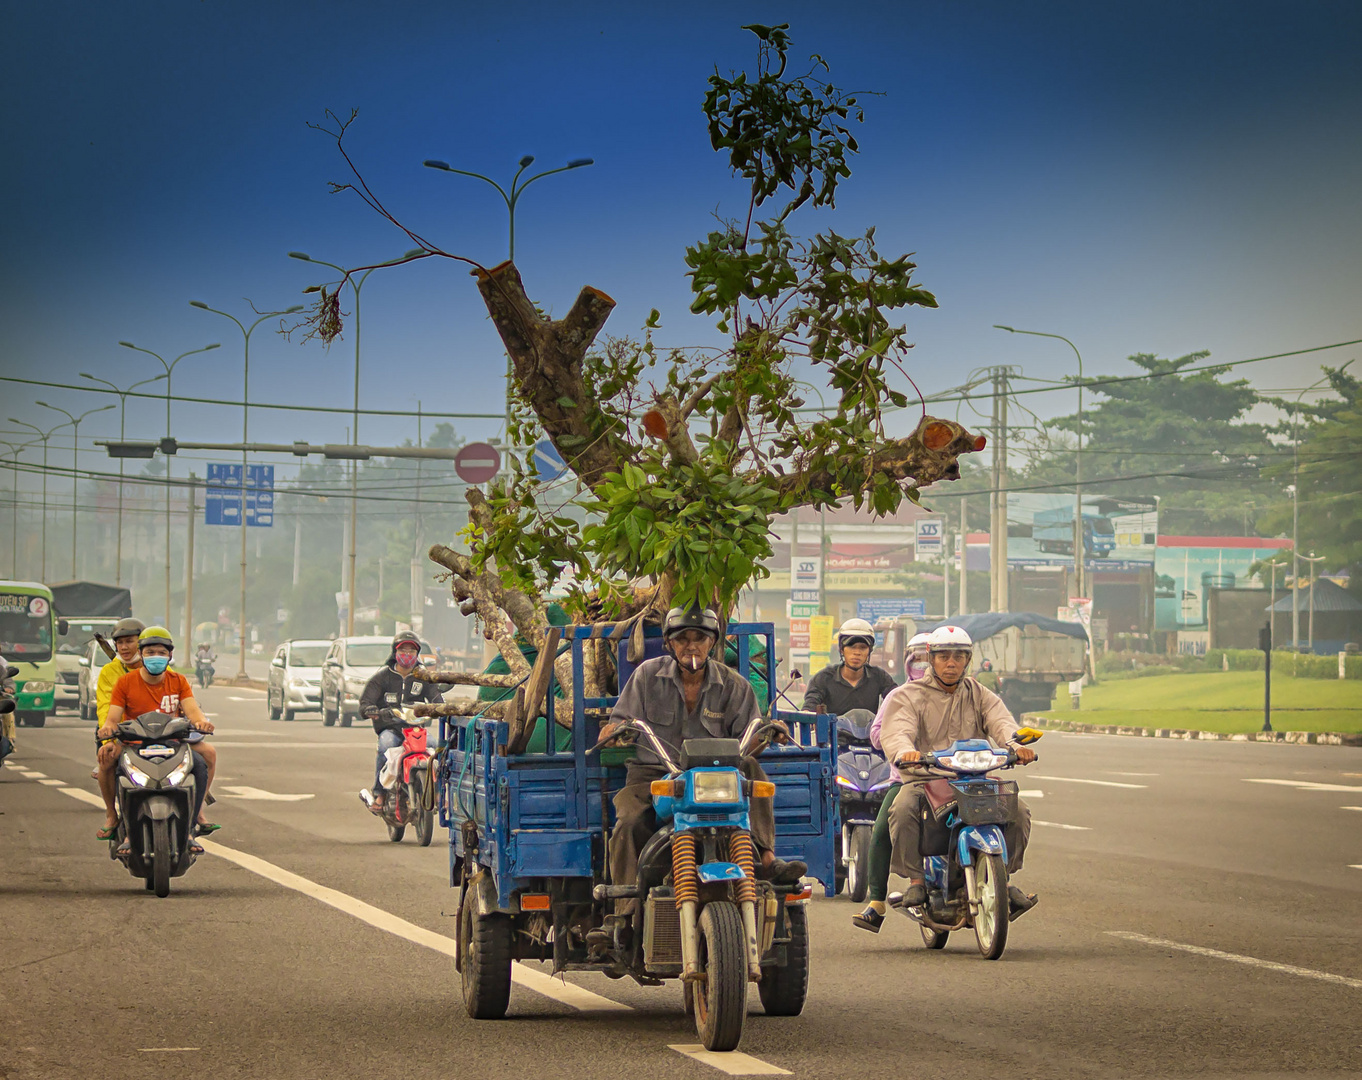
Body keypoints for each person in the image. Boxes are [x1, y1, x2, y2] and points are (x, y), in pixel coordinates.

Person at [602, 606, 807, 929]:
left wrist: (767, 732)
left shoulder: (733, 684)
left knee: (751, 768)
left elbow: (749, 736)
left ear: (713, 644)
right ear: (670, 644)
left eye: (700, 638)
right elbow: (616, 723)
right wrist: (615, 732)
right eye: (682, 639)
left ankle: (765, 857)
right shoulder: (645, 677)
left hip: (717, 777)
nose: (691, 646)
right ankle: (624, 913)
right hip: (655, 776)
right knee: (628, 822)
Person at [870, 625, 1038, 927]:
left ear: (967, 660)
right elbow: (897, 731)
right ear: (931, 659)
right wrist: (905, 751)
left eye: (959, 657)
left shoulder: (979, 693)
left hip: (974, 780)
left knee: (1020, 811)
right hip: (925, 778)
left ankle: (1005, 877)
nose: (951, 663)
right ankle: (916, 880)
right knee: (903, 808)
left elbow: (1001, 722)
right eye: (944, 656)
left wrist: (1015, 744)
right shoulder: (908, 695)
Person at [96, 627, 217, 852]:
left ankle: (192, 825)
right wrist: (108, 731)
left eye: (161, 652)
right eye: (150, 652)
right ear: (141, 654)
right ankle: (114, 818)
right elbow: (112, 717)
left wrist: (201, 722)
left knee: (201, 762)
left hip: (173, 742)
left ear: (170, 655)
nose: (156, 657)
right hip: (133, 743)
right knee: (106, 761)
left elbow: (192, 710)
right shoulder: (125, 683)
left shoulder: (178, 680)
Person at [855, 631, 930, 931]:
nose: (925, 667)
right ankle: (876, 902)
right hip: (908, 777)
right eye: (919, 660)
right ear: (908, 662)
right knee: (884, 828)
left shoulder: (964, 693)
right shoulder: (898, 696)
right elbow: (877, 733)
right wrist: (902, 745)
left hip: (954, 775)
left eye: (931, 659)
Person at [359, 630, 446, 813]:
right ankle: (380, 794)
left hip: (416, 731)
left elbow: (436, 699)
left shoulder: (423, 678)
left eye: (411, 651)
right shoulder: (382, 678)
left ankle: (438, 794)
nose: (407, 655)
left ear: (417, 654)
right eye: (403, 651)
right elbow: (366, 701)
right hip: (391, 730)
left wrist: (440, 708)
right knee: (386, 745)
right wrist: (371, 710)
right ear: (394, 653)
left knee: (435, 749)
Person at [801, 617, 898, 716]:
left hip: (869, 731)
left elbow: (897, 699)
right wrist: (808, 712)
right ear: (842, 650)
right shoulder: (824, 678)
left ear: (869, 651)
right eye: (851, 646)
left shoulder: (879, 676)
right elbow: (811, 701)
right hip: (834, 731)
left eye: (863, 647)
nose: (857, 652)